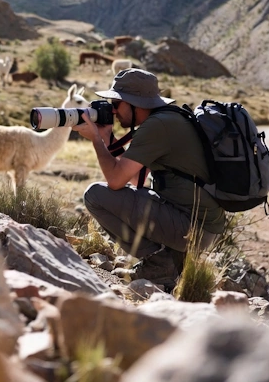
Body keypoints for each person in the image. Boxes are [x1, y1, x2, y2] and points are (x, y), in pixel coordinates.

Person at [71, 68, 225, 290]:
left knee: (95, 195)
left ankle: (160, 264)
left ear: (136, 104)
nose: (113, 111)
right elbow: (135, 179)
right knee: (121, 195)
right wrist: (107, 138)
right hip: (198, 226)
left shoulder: (157, 126)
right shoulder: (167, 119)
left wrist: (97, 140)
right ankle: (170, 262)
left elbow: (115, 181)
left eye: (117, 104)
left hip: (192, 229)